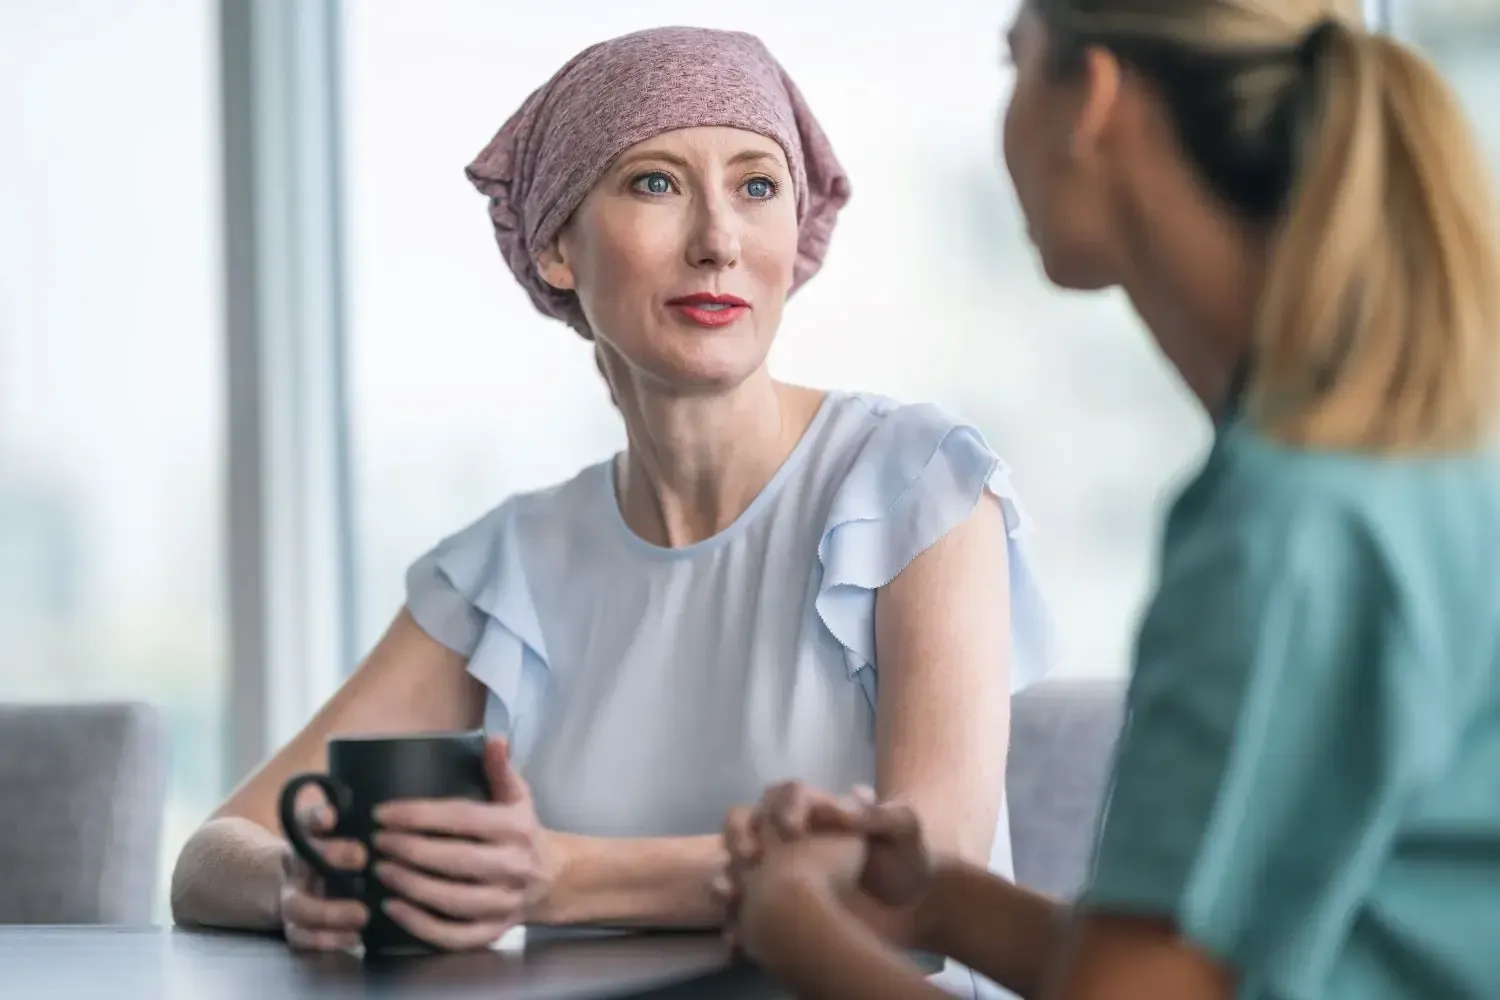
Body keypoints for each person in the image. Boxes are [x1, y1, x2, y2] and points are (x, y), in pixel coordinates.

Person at [169, 25, 1049, 997]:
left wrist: (555, 876)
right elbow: (213, 850)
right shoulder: (511, 564)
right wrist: (303, 881)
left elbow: (933, 859)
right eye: (657, 184)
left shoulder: (917, 483)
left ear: (795, 232)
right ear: (555, 247)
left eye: (757, 186)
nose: (718, 239)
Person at [721, 1, 1500, 998]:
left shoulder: (1287, 527)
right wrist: (935, 902)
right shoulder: (1399, 472)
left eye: (1016, 60)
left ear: (1091, 97)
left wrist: (795, 934)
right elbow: (1183, 971)